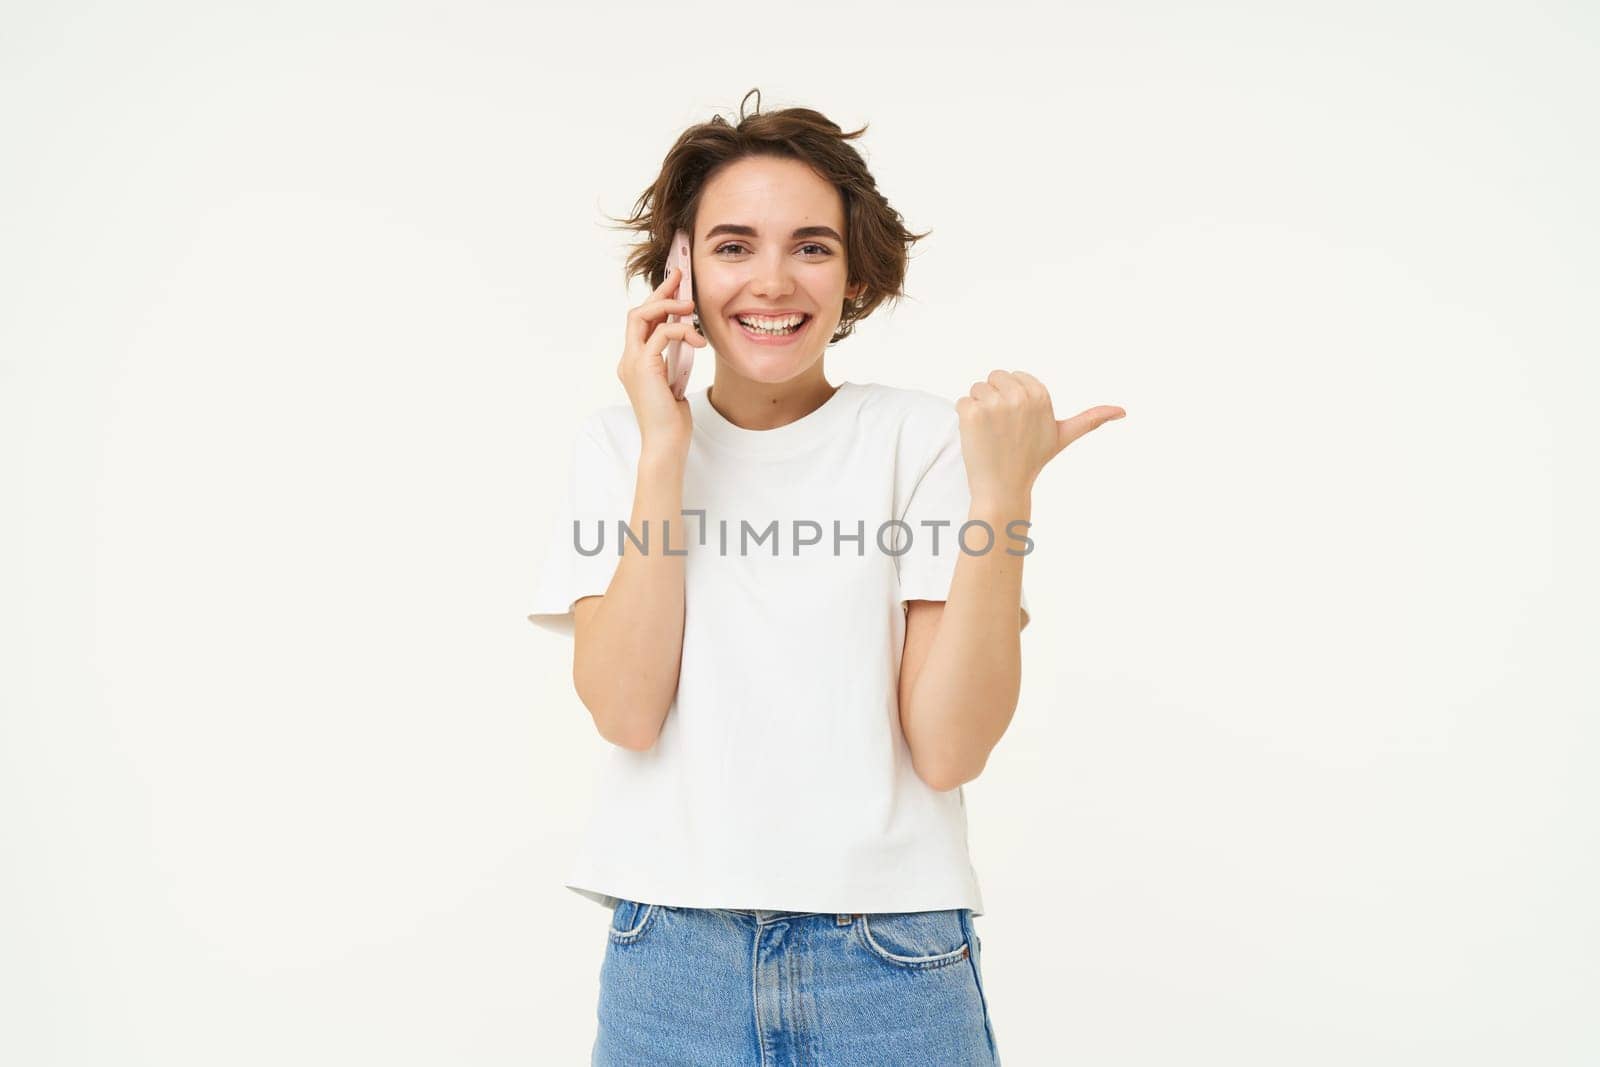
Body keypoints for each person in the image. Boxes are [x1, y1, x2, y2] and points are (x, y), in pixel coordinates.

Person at [527, 88, 1125, 1066]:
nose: (772, 280)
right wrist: (664, 447)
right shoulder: (623, 446)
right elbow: (626, 709)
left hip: (888, 956)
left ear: (855, 279)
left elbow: (948, 746)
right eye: (731, 246)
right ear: (677, 272)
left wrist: (1001, 499)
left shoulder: (927, 442)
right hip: (671, 957)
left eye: (810, 245)